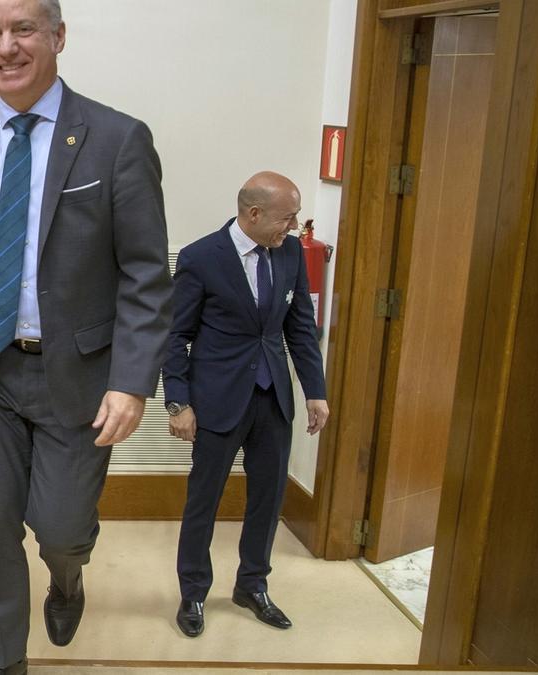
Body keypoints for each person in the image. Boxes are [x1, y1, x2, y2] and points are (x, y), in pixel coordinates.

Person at [0, 1, 172, 672]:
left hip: (77, 374)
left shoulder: (117, 138)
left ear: (57, 35)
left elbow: (145, 270)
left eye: (23, 28)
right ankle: (3, 661)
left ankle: (68, 572)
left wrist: (133, 380)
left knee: (58, 525)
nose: (6, 46)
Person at [163, 172, 329, 638]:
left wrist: (315, 390)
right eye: (287, 217)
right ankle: (193, 589)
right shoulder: (201, 258)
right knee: (204, 500)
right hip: (216, 400)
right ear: (253, 214)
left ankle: (252, 585)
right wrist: (178, 403)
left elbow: (300, 328)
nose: (293, 227)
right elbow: (175, 336)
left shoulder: (291, 253)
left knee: (268, 498)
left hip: (272, 396)